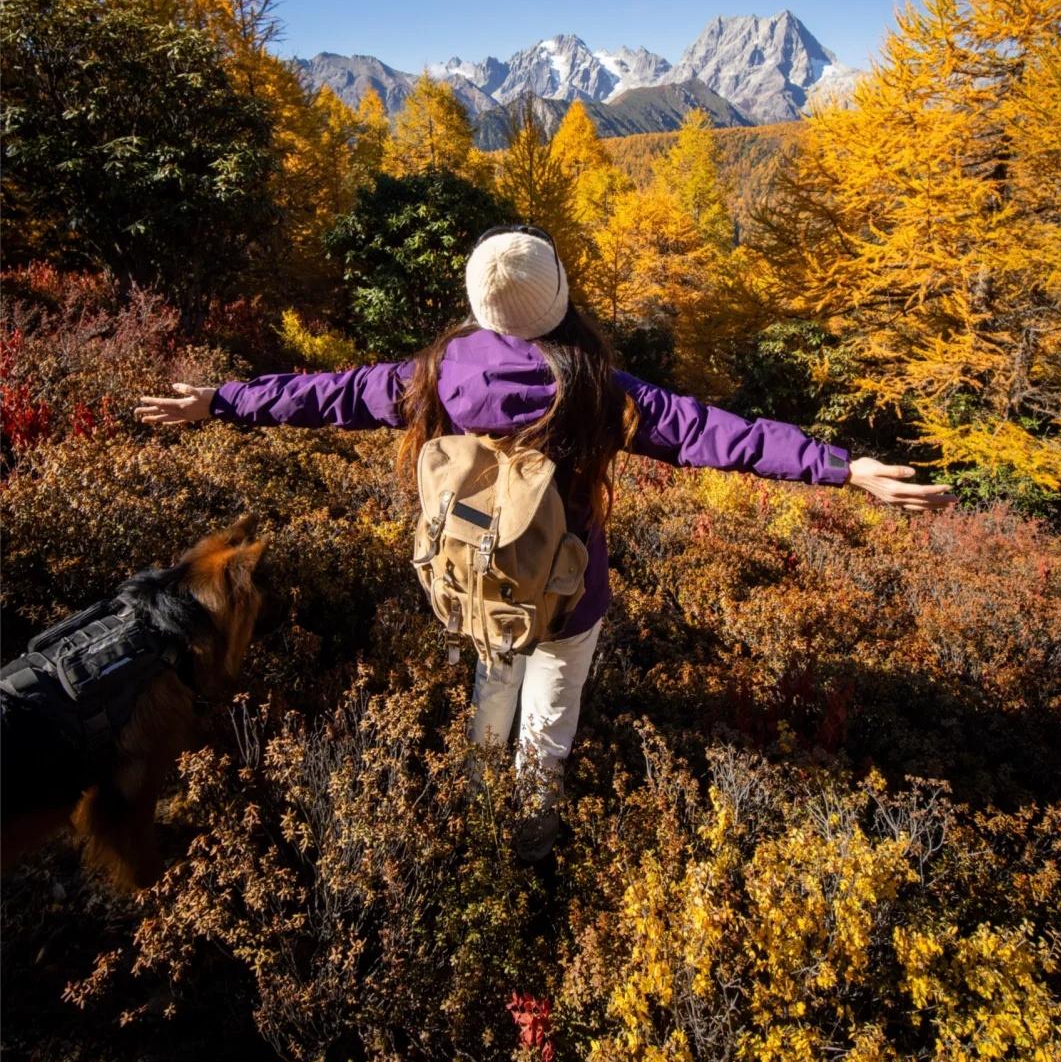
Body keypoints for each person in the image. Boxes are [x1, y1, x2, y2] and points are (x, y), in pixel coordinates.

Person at [135, 226, 955, 859]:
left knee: (492, 686)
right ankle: (529, 834)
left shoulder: (438, 371)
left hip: (474, 585)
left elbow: (330, 393)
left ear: (477, 304)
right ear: (558, 298)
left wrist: (222, 400)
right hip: (569, 596)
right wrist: (844, 470)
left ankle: (476, 796)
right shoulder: (597, 388)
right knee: (550, 718)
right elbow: (715, 433)